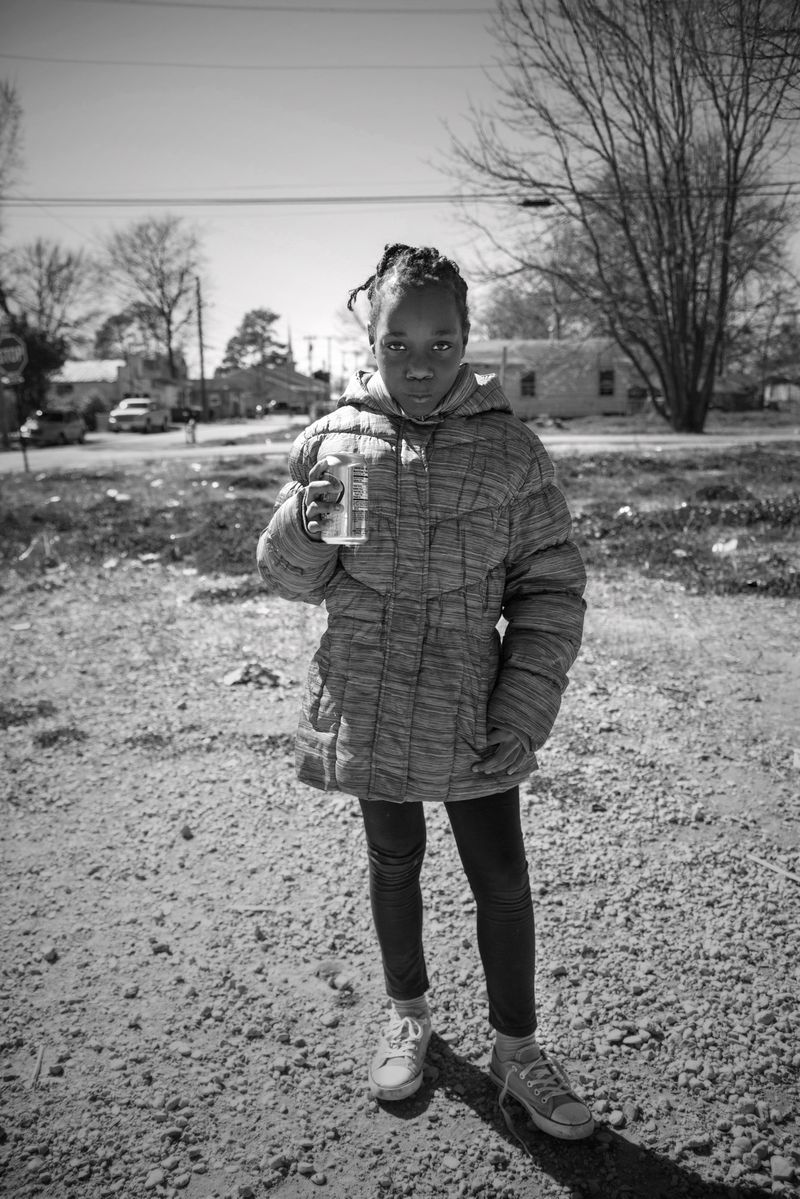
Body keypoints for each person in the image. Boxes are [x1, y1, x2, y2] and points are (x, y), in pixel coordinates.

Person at [257, 244, 593, 1141]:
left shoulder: (512, 450)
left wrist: (523, 711)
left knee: (502, 877)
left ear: (467, 340)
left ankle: (516, 1049)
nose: (419, 361)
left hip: (470, 703)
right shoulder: (337, 437)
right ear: (369, 342)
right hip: (369, 699)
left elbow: (550, 591)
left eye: (440, 342)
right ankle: (409, 1012)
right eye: (398, 342)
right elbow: (291, 579)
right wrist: (304, 517)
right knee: (393, 858)